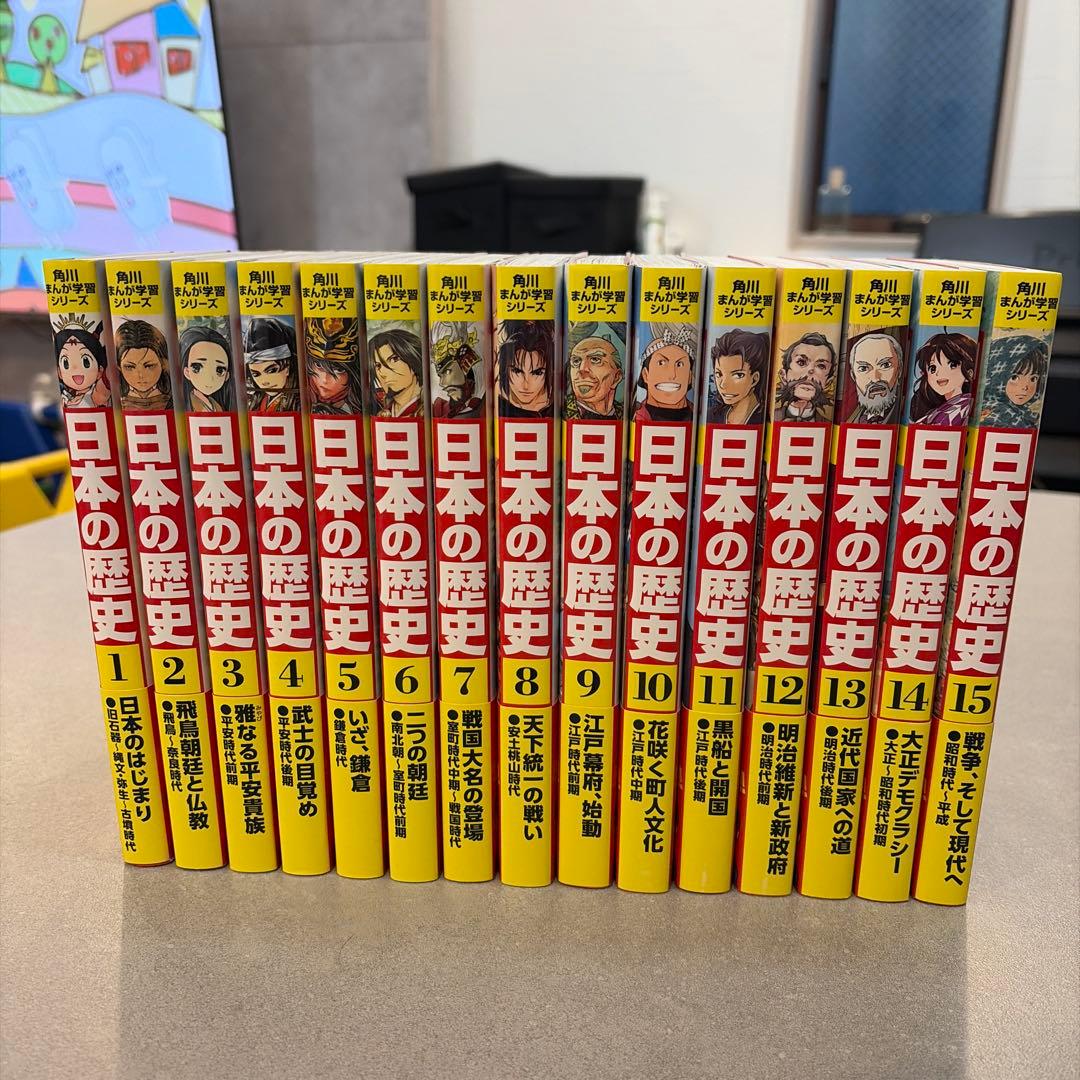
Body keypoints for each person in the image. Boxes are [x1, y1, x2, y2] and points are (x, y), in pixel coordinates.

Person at [978, 334, 1049, 429]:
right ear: (995, 375)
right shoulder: (994, 417)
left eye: (1033, 379)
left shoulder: (1024, 413)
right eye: (1014, 378)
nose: (1025, 387)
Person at [910, 332, 977, 427]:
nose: (939, 373)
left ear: (969, 373)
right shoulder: (939, 410)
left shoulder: (964, 407)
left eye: (952, 365)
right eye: (933, 368)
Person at [633, 324, 695, 422]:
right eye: (661, 363)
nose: (672, 375)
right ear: (645, 374)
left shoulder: (702, 415)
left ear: (690, 377)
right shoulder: (637, 416)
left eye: (679, 364)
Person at [707, 328, 769, 425]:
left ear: (754, 379)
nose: (723, 385)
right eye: (719, 374)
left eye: (737, 375)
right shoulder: (711, 416)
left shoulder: (765, 418)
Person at [772, 331, 835, 423]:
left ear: (828, 382)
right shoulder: (771, 419)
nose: (811, 370)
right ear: (783, 375)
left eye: (821, 366)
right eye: (801, 362)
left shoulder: (827, 424)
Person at [306, 317, 364, 415]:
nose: (324, 379)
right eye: (318, 365)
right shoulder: (301, 399)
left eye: (338, 370)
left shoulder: (359, 407)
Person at [497, 319, 554, 418]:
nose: (526, 385)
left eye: (537, 373)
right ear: (504, 370)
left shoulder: (556, 405)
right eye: (517, 371)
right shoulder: (499, 406)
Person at [244, 317, 300, 414]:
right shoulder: (256, 400)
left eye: (271, 370)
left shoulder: (299, 403)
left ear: (288, 366)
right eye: (256, 374)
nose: (264, 382)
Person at [846, 332, 903, 424]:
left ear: (899, 370)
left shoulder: (906, 414)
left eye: (885, 365)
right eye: (863, 368)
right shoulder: (852, 420)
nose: (875, 378)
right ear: (853, 376)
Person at [567, 328, 623, 420]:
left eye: (595, 359)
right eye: (576, 361)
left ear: (616, 377)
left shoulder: (626, 414)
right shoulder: (562, 412)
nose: (582, 369)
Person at [116, 319, 171, 412]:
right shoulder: (117, 400)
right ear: (119, 367)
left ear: (163, 363)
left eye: (149, 366)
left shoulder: (173, 399)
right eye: (129, 367)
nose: (140, 375)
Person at [369, 327, 424, 418]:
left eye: (394, 359)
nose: (382, 373)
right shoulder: (381, 413)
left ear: (413, 360)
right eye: (378, 366)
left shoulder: (438, 408)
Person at [54, 319, 110, 408]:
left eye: (86, 362)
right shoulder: (66, 394)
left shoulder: (95, 393)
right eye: (66, 363)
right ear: (59, 372)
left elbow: (104, 388)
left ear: (100, 370)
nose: (75, 368)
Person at [180, 324, 232, 413]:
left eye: (220, 370)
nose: (209, 378)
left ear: (227, 375)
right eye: (197, 367)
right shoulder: (188, 405)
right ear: (187, 372)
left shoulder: (216, 405)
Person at [432, 330, 484, 419]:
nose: (442, 383)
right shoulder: (440, 409)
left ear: (466, 366)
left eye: (448, 371)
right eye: (440, 376)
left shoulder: (483, 406)